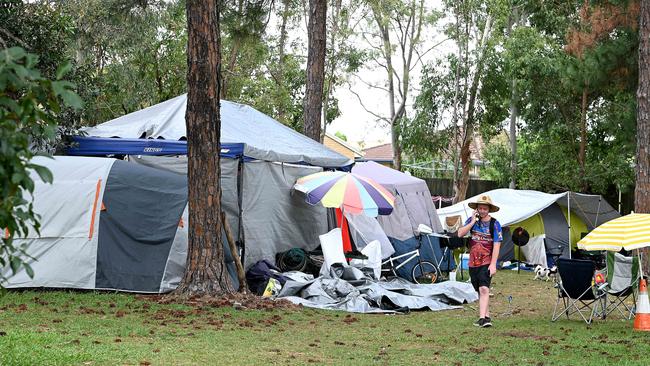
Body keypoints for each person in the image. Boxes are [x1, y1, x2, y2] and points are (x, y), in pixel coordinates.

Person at [457, 194, 502, 328]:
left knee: (483, 288)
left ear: (489, 209)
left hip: (487, 261)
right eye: (480, 208)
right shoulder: (472, 221)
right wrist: (472, 221)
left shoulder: (495, 224)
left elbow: (497, 244)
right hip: (473, 262)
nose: (482, 211)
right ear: (476, 209)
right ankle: (487, 316)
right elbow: (460, 233)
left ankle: (482, 319)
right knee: (480, 289)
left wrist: (493, 264)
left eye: (485, 208)